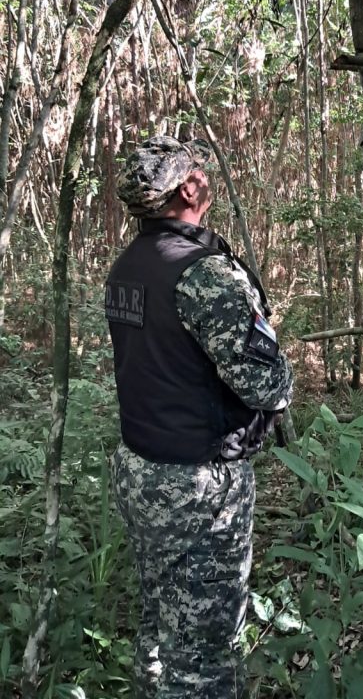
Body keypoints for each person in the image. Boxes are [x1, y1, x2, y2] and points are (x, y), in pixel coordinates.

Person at [106, 134, 293, 699]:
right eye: (201, 171)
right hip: (197, 488)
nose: (207, 177)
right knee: (205, 659)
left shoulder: (128, 265)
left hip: (140, 472)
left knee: (160, 632)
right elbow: (265, 382)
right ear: (188, 187)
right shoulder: (202, 272)